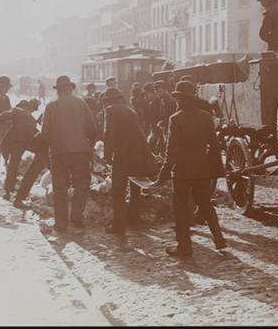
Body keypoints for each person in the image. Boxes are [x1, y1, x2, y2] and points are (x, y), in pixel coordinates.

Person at [152, 80, 227, 256]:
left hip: (182, 172)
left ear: (180, 99)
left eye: (178, 98)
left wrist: (162, 176)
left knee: (181, 209)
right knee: (206, 205)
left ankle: (184, 247)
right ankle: (219, 239)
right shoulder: (206, 117)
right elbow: (215, 146)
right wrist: (214, 171)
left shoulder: (175, 119)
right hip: (202, 169)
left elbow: (172, 152)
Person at [40, 75, 97, 232]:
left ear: (58, 91)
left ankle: (61, 224)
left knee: (60, 188)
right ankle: (76, 219)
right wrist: (89, 147)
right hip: (80, 152)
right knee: (81, 185)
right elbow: (92, 129)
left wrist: (50, 148)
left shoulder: (51, 106)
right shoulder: (81, 103)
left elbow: (45, 134)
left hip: (59, 153)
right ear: (71, 89)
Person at [101, 87, 151, 235]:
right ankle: (134, 219)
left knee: (118, 190)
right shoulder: (130, 110)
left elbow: (110, 134)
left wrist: (107, 156)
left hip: (122, 154)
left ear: (108, 101)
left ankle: (119, 225)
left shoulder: (110, 111)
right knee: (135, 187)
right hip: (138, 153)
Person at [0, 98, 39, 200]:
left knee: (11, 165)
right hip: (21, 144)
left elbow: (3, 116)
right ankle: (9, 188)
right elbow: (34, 134)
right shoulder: (32, 120)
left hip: (11, 143)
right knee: (13, 164)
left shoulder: (18, 111)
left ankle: (8, 189)